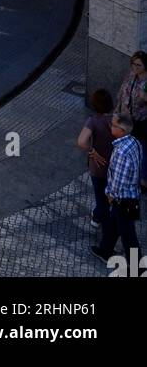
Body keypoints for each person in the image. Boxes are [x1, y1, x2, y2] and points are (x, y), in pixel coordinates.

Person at [92, 111, 143, 270]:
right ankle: (105, 250)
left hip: (123, 199)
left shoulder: (121, 151)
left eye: (112, 124)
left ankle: (137, 268)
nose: (110, 126)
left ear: (121, 130)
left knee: (128, 236)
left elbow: (119, 179)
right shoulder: (134, 142)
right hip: (132, 195)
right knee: (112, 223)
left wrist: (110, 194)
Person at [77, 89, 115, 228]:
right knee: (109, 193)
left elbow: (81, 141)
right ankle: (101, 214)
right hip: (114, 164)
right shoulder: (117, 119)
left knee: (100, 194)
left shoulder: (93, 121)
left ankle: (99, 217)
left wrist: (92, 152)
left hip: (98, 166)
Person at [116, 51, 147, 175]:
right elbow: (122, 92)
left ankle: (143, 177)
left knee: (142, 148)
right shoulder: (131, 75)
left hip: (141, 120)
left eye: (138, 65)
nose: (135, 67)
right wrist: (117, 110)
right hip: (125, 117)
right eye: (133, 64)